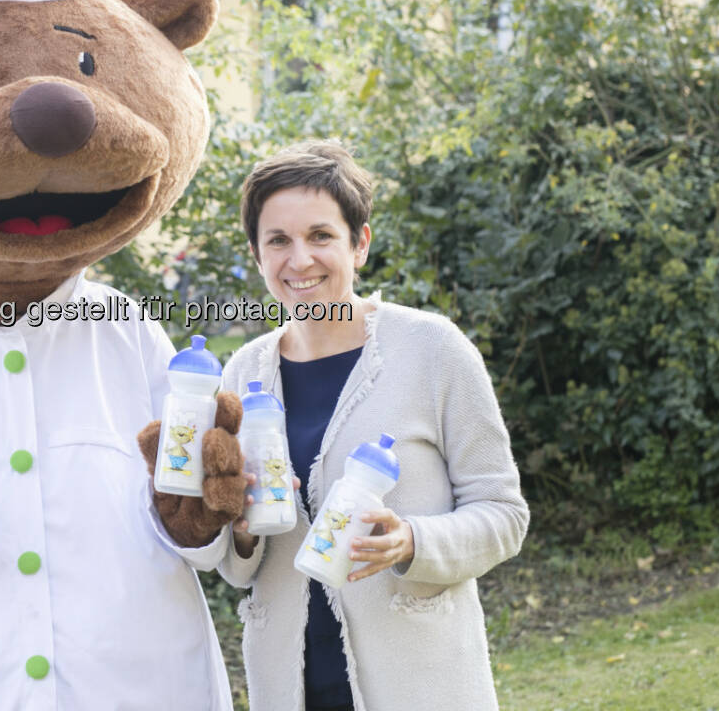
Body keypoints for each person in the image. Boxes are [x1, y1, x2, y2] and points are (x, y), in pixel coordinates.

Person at [218, 139, 529, 711]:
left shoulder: (433, 350)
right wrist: (238, 527)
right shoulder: (243, 373)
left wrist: (412, 540)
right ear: (257, 254)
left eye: (320, 236)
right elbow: (239, 568)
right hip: (288, 686)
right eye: (278, 240)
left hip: (419, 682)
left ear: (359, 243)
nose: (299, 260)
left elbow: (504, 515)